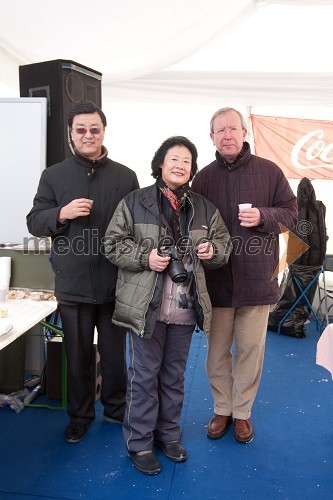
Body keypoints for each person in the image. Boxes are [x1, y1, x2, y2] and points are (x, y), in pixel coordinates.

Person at [104, 136, 231, 475]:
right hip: (147, 306)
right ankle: (140, 443)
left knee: (174, 376)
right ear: (160, 162)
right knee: (144, 377)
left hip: (186, 307)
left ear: (192, 168)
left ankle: (168, 435)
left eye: (187, 161)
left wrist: (212, 251)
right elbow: (112, 244)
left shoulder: (204, 206)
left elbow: (223, 243)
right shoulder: (134, 202)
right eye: (174, 158)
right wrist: (145, 258)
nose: (180, 165)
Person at [26, 101, 139, 443]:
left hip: (114, 283)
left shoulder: (125, 176)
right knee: (77, 357)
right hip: (72, 286)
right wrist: (63, 212)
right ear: (71, 133)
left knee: (116, 356)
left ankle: (117, 409)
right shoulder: (54, 175)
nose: (88, 135)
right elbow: (34, 222)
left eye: (94, 129)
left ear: (103, 131)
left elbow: (137, 227)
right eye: (81, 129)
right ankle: (79, 416)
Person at [191, 107, 298, 444]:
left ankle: (242, 414)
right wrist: (201, 244)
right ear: (211, 137)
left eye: (232, 129)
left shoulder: (270, 172)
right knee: (217, 352)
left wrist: (264, 216)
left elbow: (293, 217)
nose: (227, 136)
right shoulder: (203, 178)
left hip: (256, 280)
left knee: (251, 350)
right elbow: (192, 225)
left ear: (244, 133)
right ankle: (222, 408)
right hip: (217, 282)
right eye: (220, 131)